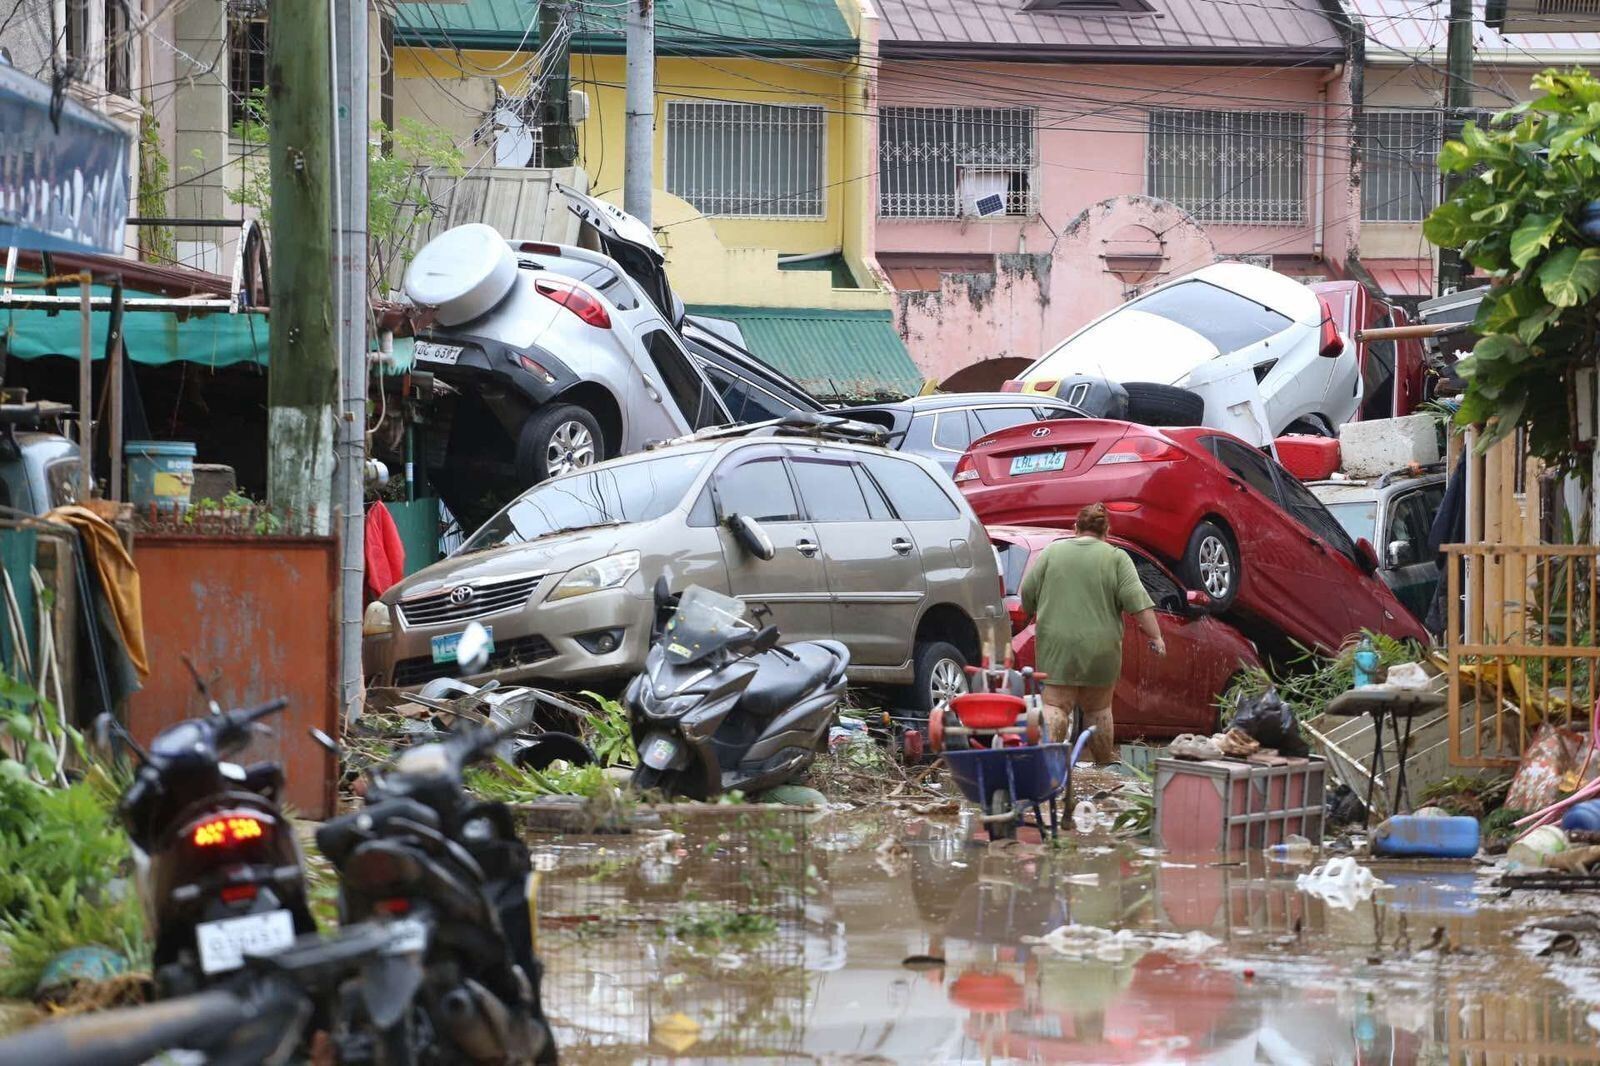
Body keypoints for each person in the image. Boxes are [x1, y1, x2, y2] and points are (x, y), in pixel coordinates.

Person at [1020, 503, 1165, 763]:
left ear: (1075, 528)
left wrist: (1031, 610)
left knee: (1055, 706)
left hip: (1057, 645)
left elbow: (1027, 593)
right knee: (1098, 709)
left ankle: (1048, 764)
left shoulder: (1052, 552)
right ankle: (1104, 764)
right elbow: (1138, 601)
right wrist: (1156, 636)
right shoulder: (1116, 557)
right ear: (1106, 531)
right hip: (1101, 647)